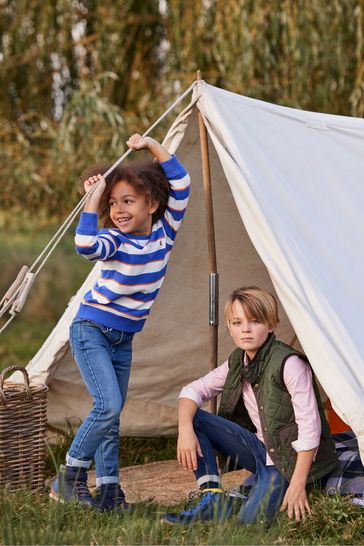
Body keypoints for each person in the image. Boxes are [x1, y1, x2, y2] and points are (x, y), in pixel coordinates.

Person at [50, 134, 190, 511]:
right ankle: (70, 476)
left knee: (110, 415)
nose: (119, 210)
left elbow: (182, 182)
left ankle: (110, 491)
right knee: (108, 406)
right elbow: (84, 245)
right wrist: (94, 196)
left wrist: (151, 145)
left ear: (152, 204)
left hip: (122, 338)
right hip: (91, 330)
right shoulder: (113, 239)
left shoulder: (164, 233)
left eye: (128, 201)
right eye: (113, 203)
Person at [163, 286, 338, 525]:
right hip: (258, 448)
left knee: (248, 524)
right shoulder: (237, 361)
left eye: (254, 321)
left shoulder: (290, 364)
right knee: (194, 417)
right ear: (230, 328)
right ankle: (213, 498)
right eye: (237, 323)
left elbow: (310, 430)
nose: (245, 329)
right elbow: (192, 391)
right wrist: (185, 430)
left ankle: (271, 488)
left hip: (288, 460)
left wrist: (297, 484)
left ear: (271, 324)